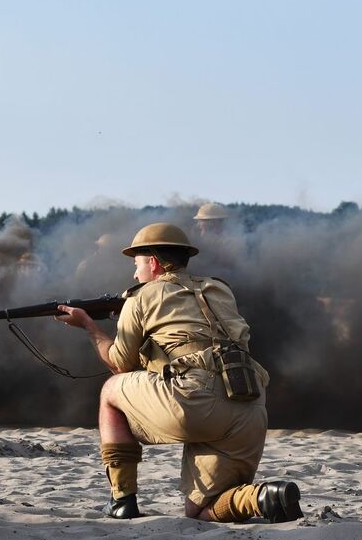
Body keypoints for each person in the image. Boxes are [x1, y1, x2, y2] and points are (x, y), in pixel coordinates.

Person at [55, 222, 302, 523]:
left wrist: (90, 327)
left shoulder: (140, 296)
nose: (134, 274)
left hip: (195, 399)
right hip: (249, 404)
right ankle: (262, 498)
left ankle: (122, 500)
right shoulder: (219, 289)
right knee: (200, 512)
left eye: (137, 265)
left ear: (154, 263)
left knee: (111, 390)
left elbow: (121, 362)